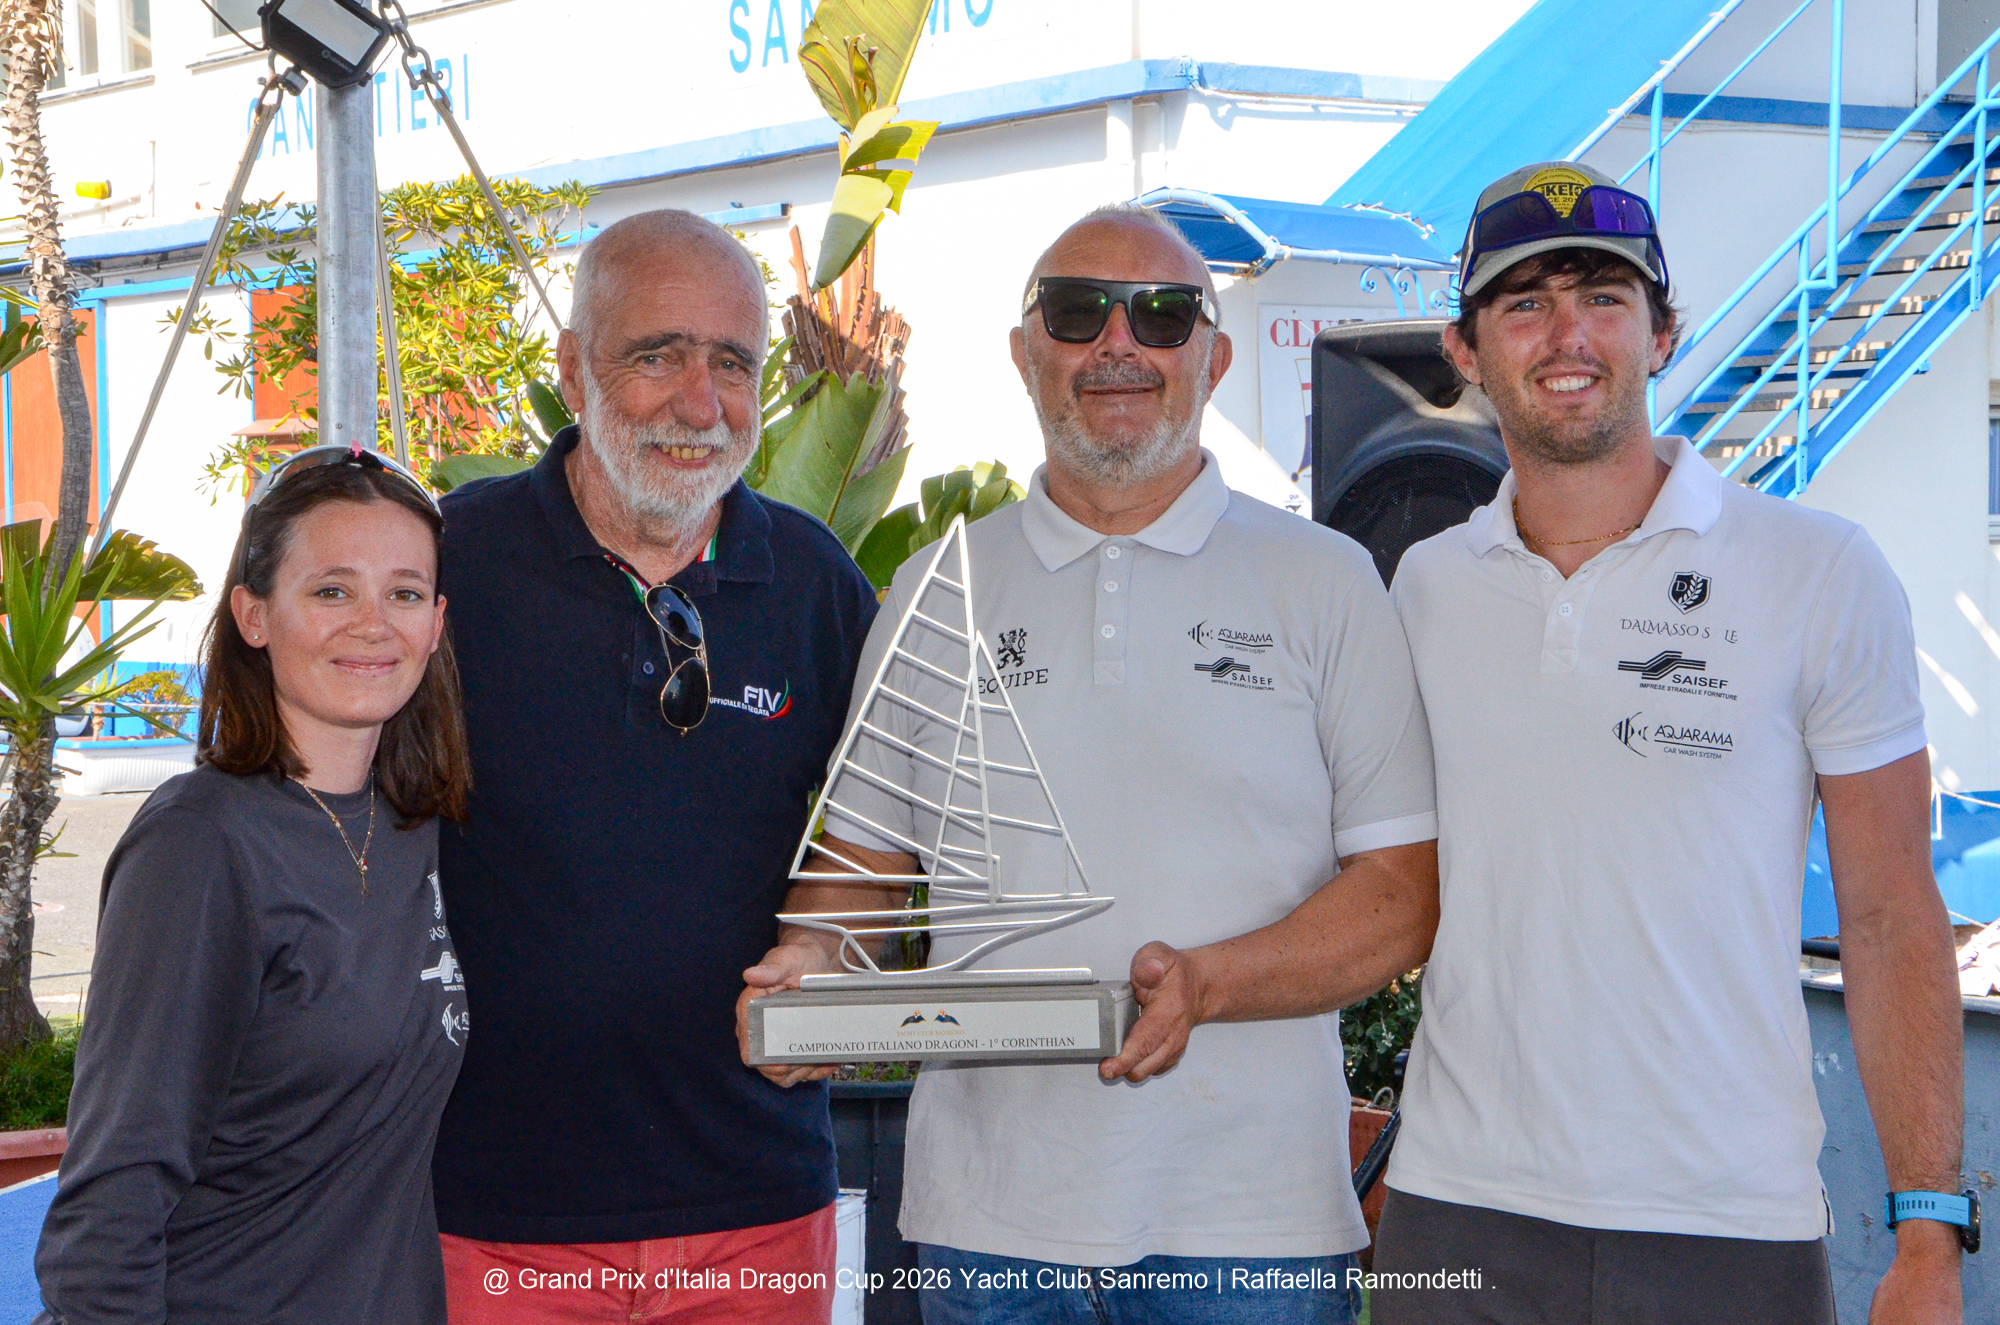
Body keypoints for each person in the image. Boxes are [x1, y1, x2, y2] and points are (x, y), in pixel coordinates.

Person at [742, 203, 1441, 1323]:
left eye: (1162, 315)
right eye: (1076, 312)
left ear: (1212, 358)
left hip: (1250, 1226)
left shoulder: (1325, 579)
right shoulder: (934, 586)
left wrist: (1210, 984)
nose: (1119, 342)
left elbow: (1401, 897)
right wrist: (809, 966)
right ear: (1026, 354)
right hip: (988, 1224)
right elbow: (865, 859)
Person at [1371, 161, 1967, 1323]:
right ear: (1462, 350)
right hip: (1459, 1210)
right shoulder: (1424, 587)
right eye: (1524, 302)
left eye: (1602, 296)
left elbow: (1892, 911)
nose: (1567, 335)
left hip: (1727, 1226)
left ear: (1661, 332)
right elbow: (1386, 882)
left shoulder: (1818, 570)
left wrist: (1926, 1232)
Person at [430, 209, 878, 1323]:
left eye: (732, 363)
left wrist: (825, 940)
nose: (700, 402)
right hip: (493, 1207)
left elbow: (885, 811)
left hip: (757, 1197)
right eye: (658, 355)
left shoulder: (812, 580)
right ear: (572, 368)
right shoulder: (450, 565)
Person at [34, 444, 471, 1323]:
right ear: (254, 614)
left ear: (435, 624)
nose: (373, 624)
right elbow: (113, 1199)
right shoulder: (200, 844)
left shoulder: (411, 826)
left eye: (404, 593)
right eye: (332, 590)